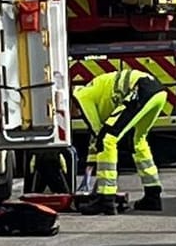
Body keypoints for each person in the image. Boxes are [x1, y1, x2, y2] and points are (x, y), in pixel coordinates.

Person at [72, 68, 168, 213]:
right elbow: (96, 136)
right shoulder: (97, 94)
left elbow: (99, 134)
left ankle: (106, 198)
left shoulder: (81, 96)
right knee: (137, 141)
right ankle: (152, 196)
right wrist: (93, 157)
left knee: (107, 139)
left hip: (140, 89)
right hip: (157, 92)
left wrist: (91, 163)